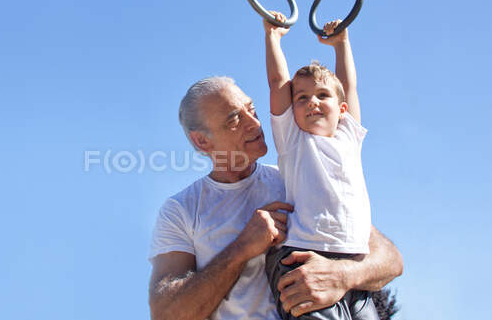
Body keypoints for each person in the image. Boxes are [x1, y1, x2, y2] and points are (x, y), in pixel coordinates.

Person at [148, 75, 403, 320]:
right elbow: (167, 314)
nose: (255, 124)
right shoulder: (180, 210)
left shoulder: (295, 178)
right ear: (202, 141)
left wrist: (342, 275)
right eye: (235, 119)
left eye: (252, 108)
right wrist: (242, 248)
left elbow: (390, 259)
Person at [263, 12, 378, 320]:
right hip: (303, 255)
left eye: (322, 95)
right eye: (301, 98)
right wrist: (273, 37)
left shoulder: (348, 135)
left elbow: (348, 87)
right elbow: (277, 83)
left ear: (340, 110)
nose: (311, 102)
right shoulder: (294, 140)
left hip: (353, 262)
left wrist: (341, 44)